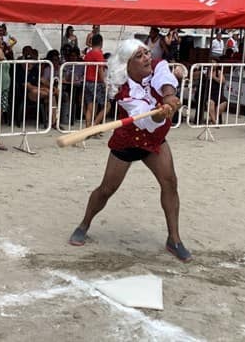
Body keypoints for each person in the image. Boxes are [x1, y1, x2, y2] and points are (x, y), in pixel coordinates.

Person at [67, 39, 191, 262]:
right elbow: (148, 122)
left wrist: (169, 96)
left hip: (155, 142)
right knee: (106, 189)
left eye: (146, 52)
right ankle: (84, 224)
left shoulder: (158, 66)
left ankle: (174, 239)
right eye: (140, 56)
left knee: (170, 182)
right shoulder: (124, 94)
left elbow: (166, 80)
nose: (147, 58)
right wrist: (161, 113)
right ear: (127, 65)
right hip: (128, 141)